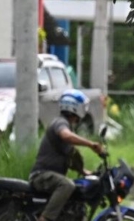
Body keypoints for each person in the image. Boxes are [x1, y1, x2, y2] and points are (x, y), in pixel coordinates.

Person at [29, 89, 104, 221]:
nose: (84, 110)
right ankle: (45, 218)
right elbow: (66, 136)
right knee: (67, 185)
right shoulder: (60, 123)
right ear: (74, 107)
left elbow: (71, 155)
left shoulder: (67, 125)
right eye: (82, 107)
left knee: (75, 192)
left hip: (49, 176)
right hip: (41, 175)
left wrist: (84, 172)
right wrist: (90, 144)